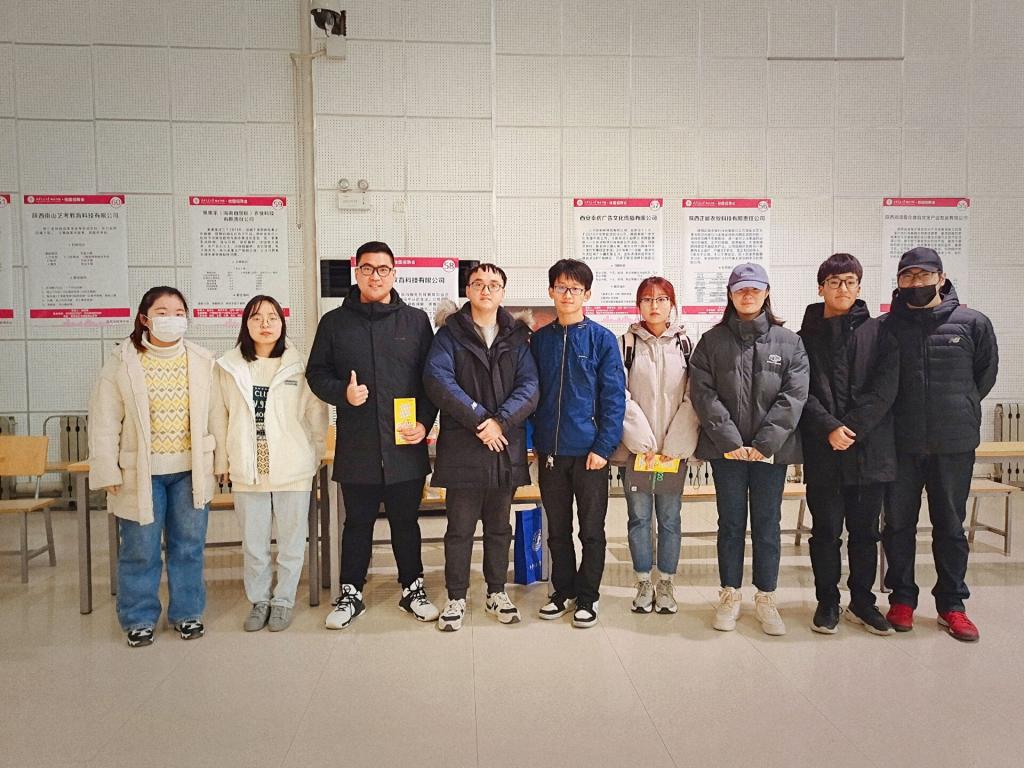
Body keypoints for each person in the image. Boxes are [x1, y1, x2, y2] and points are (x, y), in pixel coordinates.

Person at [307, 241, 440, 629]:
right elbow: (316, 374)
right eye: (367, 268)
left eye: (383, 269)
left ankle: (412, 589)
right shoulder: (334, 323)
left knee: (406, 522)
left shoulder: (415, 321)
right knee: (357, 523)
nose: (375, 276)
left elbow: (432, 379)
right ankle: (350, 593)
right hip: (358, 444)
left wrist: (425, 423)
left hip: (405, 444)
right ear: (357, 272)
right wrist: (342, 394)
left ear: (394, 274)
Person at [88, 287, 220, 647]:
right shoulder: (121, 362)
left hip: (190, 471)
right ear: (145, 319)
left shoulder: (201, 360)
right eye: (162, 312)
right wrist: (106, 469)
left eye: (179, 312)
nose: (172, 319)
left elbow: (215, 416)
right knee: (139, 548)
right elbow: (104, 420)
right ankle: (138, 617)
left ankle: (187, 613)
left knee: (189, 546)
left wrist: (221, 462)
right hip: (139, 473)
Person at [881, 246, 998, 642]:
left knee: (950, 526)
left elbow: (983, 377)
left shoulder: (972, 323)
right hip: (900, 443)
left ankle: (952, 605)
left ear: (941, 278)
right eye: (908, 276)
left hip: (953, 442)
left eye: (924, 275)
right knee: (898, 525)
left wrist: (958, 408)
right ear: (899, 282)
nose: (916, 282)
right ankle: (901, 599)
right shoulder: (886, 327)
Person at [689, 263, 809, 636]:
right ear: (730, 294)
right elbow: (702, 393)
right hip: (727, 452)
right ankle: (730, 593)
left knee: (767, 523)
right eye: (741, 289)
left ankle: (766, 597)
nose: (748, 295)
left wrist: (764, 444)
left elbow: (794, 396)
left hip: (769, 453)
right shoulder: (711, 341)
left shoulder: (789, 342)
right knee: (730, 523)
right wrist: (730, 441)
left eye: (755, 289)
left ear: (766, 293)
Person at [423, 263, 539, 631]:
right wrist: (479, 420)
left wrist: (499, 422)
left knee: (499, 527)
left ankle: (496, 592)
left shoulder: (517, 337)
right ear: (467, 290)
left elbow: (530, 387)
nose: (485, 290)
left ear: (503, 292)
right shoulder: (448, 334)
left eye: (493, 284)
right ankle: (456, 596)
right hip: (463, 447)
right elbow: (438, 380)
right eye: (478, 284)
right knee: (459, 528)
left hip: (503, 445)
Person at [211, 295, 327, 632]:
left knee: (292, 542)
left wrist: (313, 454)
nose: (265, 324)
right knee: (254, 543)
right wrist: (222, 460)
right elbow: (219, 417)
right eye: (257, 317)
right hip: (247, 468)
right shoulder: (227, 367)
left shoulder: (299, 366)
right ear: (245, 324)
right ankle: (259, 600)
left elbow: (316, 415)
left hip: (293, 467)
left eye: (272, 317)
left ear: (282, 323)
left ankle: (284, 600)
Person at [798, 254, 898, 636]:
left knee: (865, 532)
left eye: (850, 281)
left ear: (859, 287)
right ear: (820, 287)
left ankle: (863, 602)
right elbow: (799, 390)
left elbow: (886, 388)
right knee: (825, 531)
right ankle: (827, 602)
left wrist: (850, 428)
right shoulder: (803, 338)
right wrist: (829, 427)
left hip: (869, 449)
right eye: (834, 281)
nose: (842, 288)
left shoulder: (880, 333)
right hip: (823, 450)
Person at [530, 259, 625, 628]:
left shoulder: (602, 339)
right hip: (550, 452)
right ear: (551, 291)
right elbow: (530, 394)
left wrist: (603, 447)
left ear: (587, 294)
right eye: (561, 287)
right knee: (557, 530)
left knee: (591, 530)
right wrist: (532, 441)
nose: (567, 295)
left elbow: (614, 399)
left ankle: (588, 597)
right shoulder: (540, 341)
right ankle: (563, 591)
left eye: (575, 289)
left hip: (590, 454)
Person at [613, 277, 700, 614]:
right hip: (637, 451)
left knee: (669, 519)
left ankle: (666, 583)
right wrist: (640, 439)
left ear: (671, 304)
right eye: (647, 299)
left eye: (662, 299)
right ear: (638, 305)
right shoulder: (625, 344)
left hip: (673, 451)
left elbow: (694, 396)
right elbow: (618, 394)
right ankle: (643, 582)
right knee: (638, 518)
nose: (654, 305)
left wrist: (676, 442)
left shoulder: (687, 344)